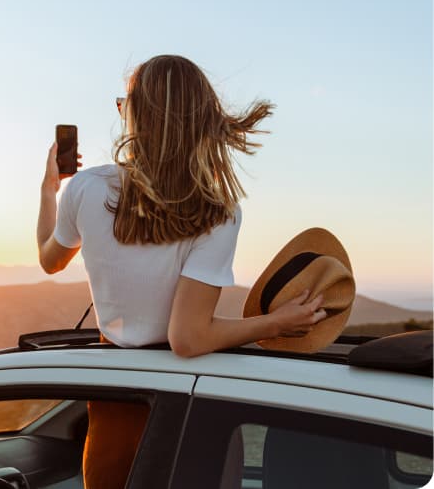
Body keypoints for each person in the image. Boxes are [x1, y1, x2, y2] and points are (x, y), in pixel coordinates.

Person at [36, 54, 327, 489]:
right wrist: (277, 323)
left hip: (115, 401)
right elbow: (189, 339)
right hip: (191, 401)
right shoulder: (218, 212)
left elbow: (50, 259)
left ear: (137, 116)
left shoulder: (85, 189)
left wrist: (49, 190)